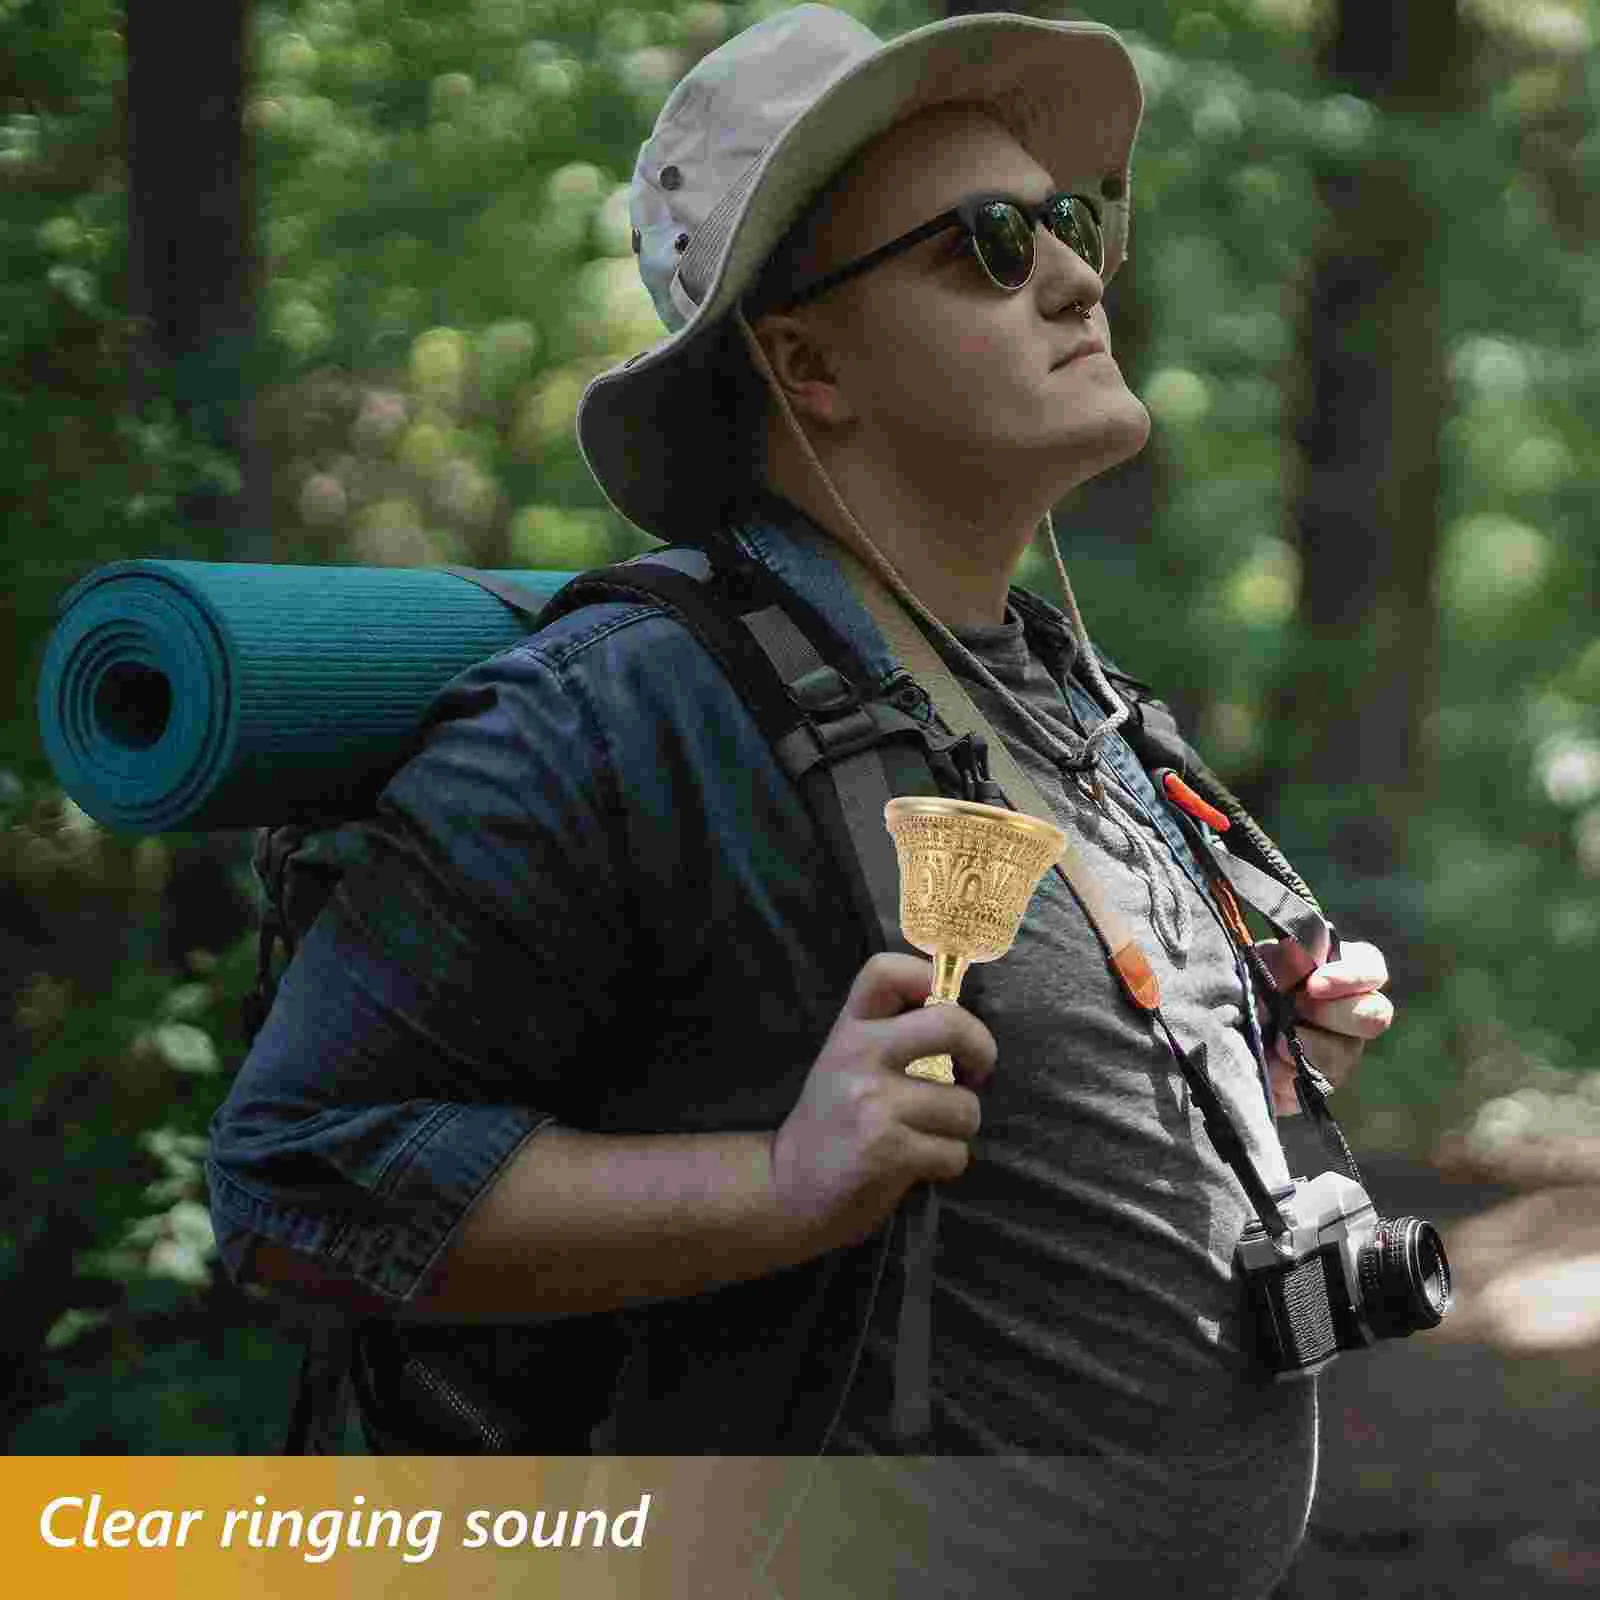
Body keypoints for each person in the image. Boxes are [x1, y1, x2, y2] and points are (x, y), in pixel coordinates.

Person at [206, 6, 1396, 1594]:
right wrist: (773, 1188)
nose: (1077, 274)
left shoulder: (1066, 687)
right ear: (806, 362)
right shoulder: (628, 707)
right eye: (986, 242)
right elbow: (295, 1179)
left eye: (1068, 220)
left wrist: (1263, 1030)